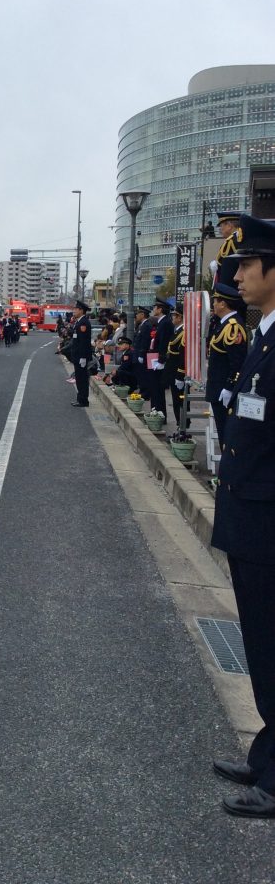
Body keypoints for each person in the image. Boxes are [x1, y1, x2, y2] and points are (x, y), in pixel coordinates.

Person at [210, 213, 275, 819]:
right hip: (251, 513)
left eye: (247, 267)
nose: (238, 277)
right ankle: (265, 754)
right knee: (259, 639)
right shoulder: (263, 333)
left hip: (267, 518)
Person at [205, 284, 248, 444]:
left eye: (215, 301)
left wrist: (230, 386)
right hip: (218, 387)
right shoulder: (223, 324)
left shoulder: (232, 326)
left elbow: (238, 362)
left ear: (223, 303)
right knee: (223, 432)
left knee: (227, 435)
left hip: (224, 389)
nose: (214, 304)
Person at [146, 297, 174, 417]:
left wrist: (161, 360)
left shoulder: (165, 323)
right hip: (154, 357)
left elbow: (164, 342)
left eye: (155, 307)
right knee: (154, 386)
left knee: (157, 388)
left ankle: (159, 413)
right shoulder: (160, 322)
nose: (153, 310)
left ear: (160, 309)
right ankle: (155, 410)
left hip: (158, 359)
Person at [163, 303, 188, 427]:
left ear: (180, 317)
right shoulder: (178, 331)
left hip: (177, 372)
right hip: (172, 371)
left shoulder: (183, 333)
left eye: (174, 315)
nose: (172, 318)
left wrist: (180, 374)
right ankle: (180, 426)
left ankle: (182, 427)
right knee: (176, 400)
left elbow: (183, 355)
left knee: (180, 401)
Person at [211, 210, 243, 288]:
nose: (220, 229)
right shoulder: (239, 238)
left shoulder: (231, 241)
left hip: (232, 290)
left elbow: (228, 271)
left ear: (229, 225)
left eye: (221, 226)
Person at [69, 300, 92, 408]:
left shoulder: (84, 323)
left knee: (82, 379)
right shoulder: (79, 322)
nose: (74, 311)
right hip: (77, 355)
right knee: (79, 378)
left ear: (81, 311)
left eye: (76, 309)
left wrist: (83, 357)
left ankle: (83, 400)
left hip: (81, 356)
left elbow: (84, 341)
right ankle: (80, 398)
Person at [133, 307, 153, 400]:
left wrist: (141, 354)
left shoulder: (147, 325)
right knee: (140, 375)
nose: (136, 316)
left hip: (143, 355)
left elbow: (145, 341)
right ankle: (143, 391)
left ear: (142, 315)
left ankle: (145, 394)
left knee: (143, 375)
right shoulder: (141, 325)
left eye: (138, 314)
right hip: (138, 353)